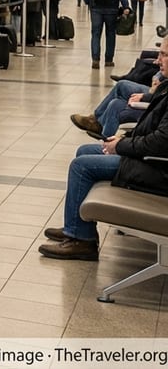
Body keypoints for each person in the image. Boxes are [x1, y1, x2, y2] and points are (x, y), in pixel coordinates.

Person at [39, 46, 168, 260]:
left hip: (156, 167)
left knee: (81, 167)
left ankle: (82, 242)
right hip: (150, 159)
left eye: (163, 55)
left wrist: (121, 146)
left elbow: (161, 142)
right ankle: (76, 227)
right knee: (84, 151)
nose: (157, 60)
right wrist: (124, 140)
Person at [71, 73, 161, 140]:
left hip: (159, 96)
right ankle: (98, 123)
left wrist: (146, 96)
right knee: (118, 97)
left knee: (118, 98)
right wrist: (157, 77)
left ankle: (99, 126)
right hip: (158, 87)